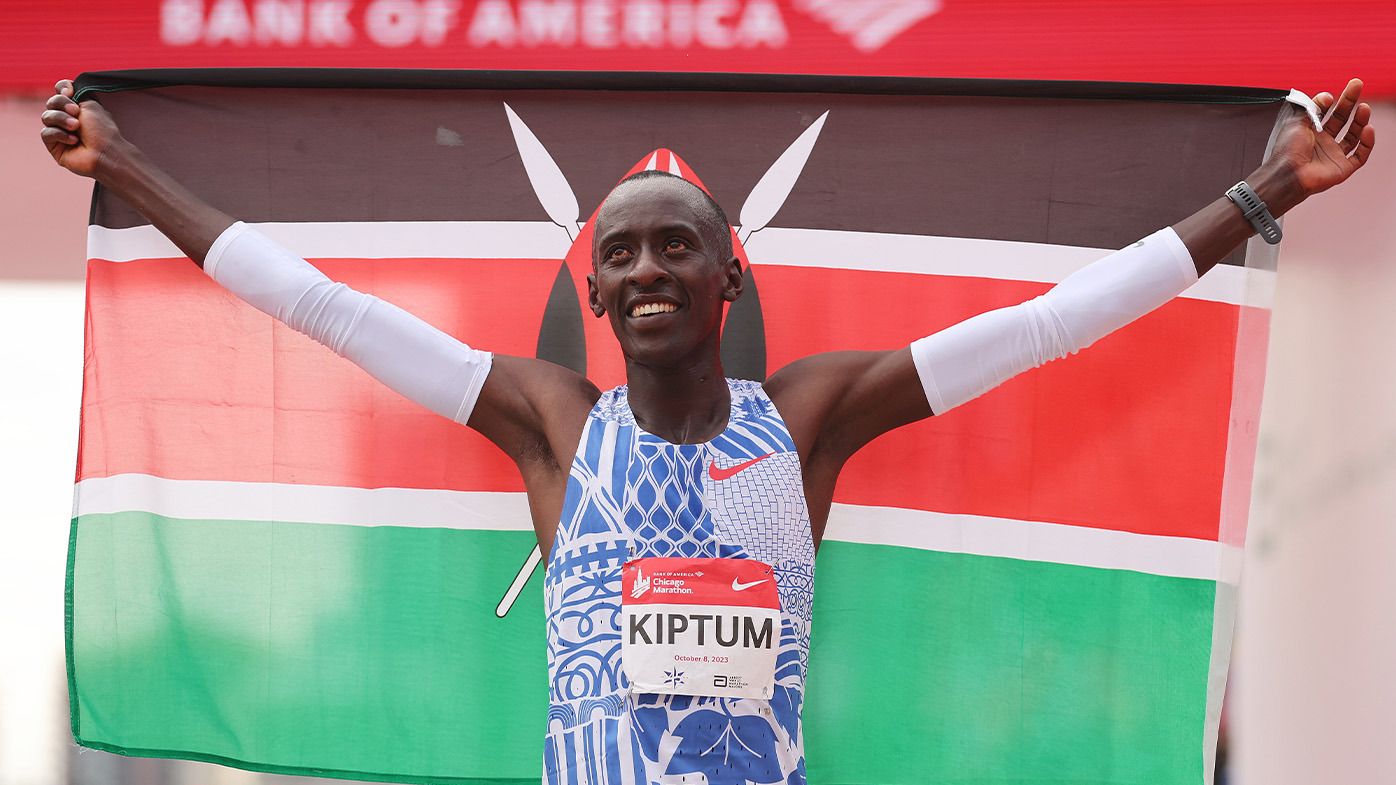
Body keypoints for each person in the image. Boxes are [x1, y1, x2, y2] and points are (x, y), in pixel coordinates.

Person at [42, 78, 1374, 785]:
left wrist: (1263, 195)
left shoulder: (808, 421)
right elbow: (318, 306)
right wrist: (126, 169)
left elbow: (1050, 324)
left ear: (729, 277)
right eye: (620, 254)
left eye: (676, 246)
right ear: (595, 288)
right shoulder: (551, 423)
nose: (648, 269)